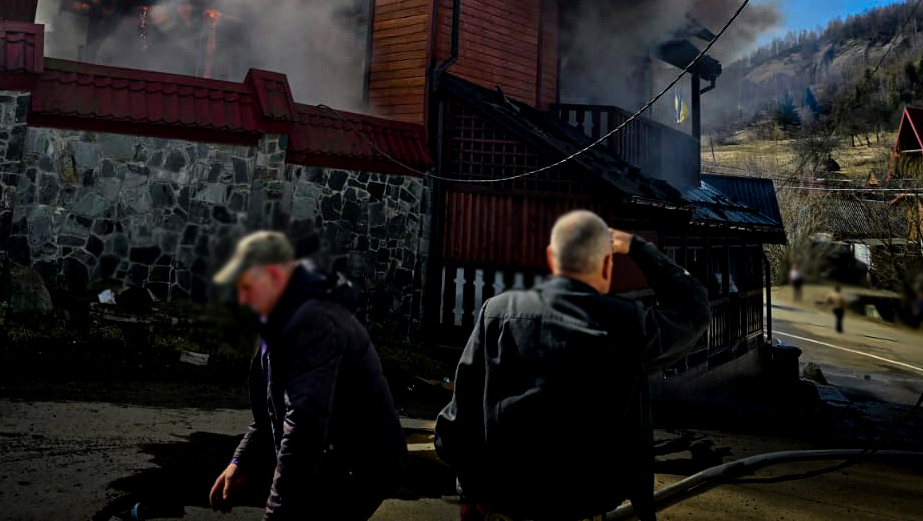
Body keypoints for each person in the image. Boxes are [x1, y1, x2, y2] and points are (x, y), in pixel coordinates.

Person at [433, 212, 710, 521]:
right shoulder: (627, 323)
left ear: (552, 258)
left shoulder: (497, 312)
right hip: (587, 503)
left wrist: (468, 489)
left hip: (506, 501)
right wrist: (638, 248)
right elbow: (694, 310)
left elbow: (457, 423)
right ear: (607, 265)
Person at [207, 231, 405, 521]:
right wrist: (240, 460)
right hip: (331, 458)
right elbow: (270, 413)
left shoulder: (313, 322)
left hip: (361, 467)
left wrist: (277, 515)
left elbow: (304, 426)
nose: (241, 297)